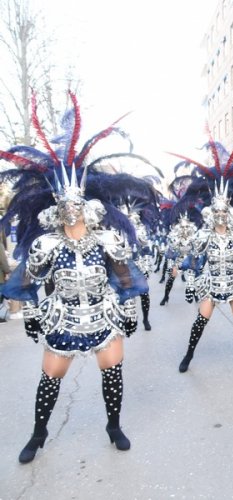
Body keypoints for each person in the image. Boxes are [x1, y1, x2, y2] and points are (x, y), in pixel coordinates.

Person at [0, 93, 149, 463]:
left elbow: (124, 277)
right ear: (56, 208)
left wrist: (129, 309)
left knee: (112, 373)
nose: (70, 210)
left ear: (86, 206)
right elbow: (28, 283)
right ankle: (38, 434)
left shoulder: (107, 240)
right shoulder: (46, 244)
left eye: (75, 205)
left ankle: (113, 427)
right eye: (63, 205)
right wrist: (33, 316)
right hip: (64, 318)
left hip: (103, 315)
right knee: (50, 379)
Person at [172, 138, 233, 372]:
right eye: (217, 212)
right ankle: (188, 355)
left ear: (230, 213)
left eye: (224, 212)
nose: (221, 216)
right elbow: (194, 261)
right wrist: (189, 282)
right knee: (199, 323)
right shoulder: (203, 236)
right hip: (211, 282)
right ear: (210, 214)